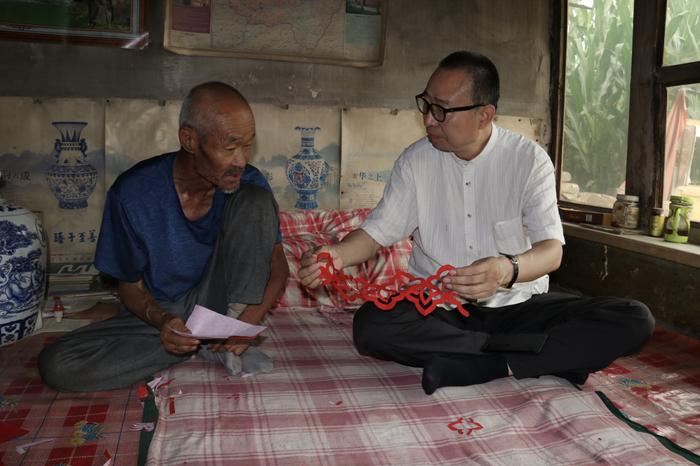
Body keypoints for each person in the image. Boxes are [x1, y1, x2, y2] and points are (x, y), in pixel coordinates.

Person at [298, 51, 654, 395]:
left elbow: (551, 253)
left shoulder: (529, 161)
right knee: (371, 326)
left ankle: (489, 364)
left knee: (634, 319)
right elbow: (376, 232)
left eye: (442, 110)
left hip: (519, 306)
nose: (428, 120)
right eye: (426, 104)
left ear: (485, 115)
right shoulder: (415, 162)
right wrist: (338, 255)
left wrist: (505, 270)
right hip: (441, 311)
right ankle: (533, 355)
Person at [39, 82, 289, 392]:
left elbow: (278, 266)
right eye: (230, 147)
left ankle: (221, 336)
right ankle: (201, 344)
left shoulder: (249, 183)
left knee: (255, 200)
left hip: (222, 304)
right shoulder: (132, 194)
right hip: (166, 312)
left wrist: (246, 322)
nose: (241, 160)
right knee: (59, 365)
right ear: (190, 140)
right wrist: (163, 323)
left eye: (248, 145)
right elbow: (129, 289)